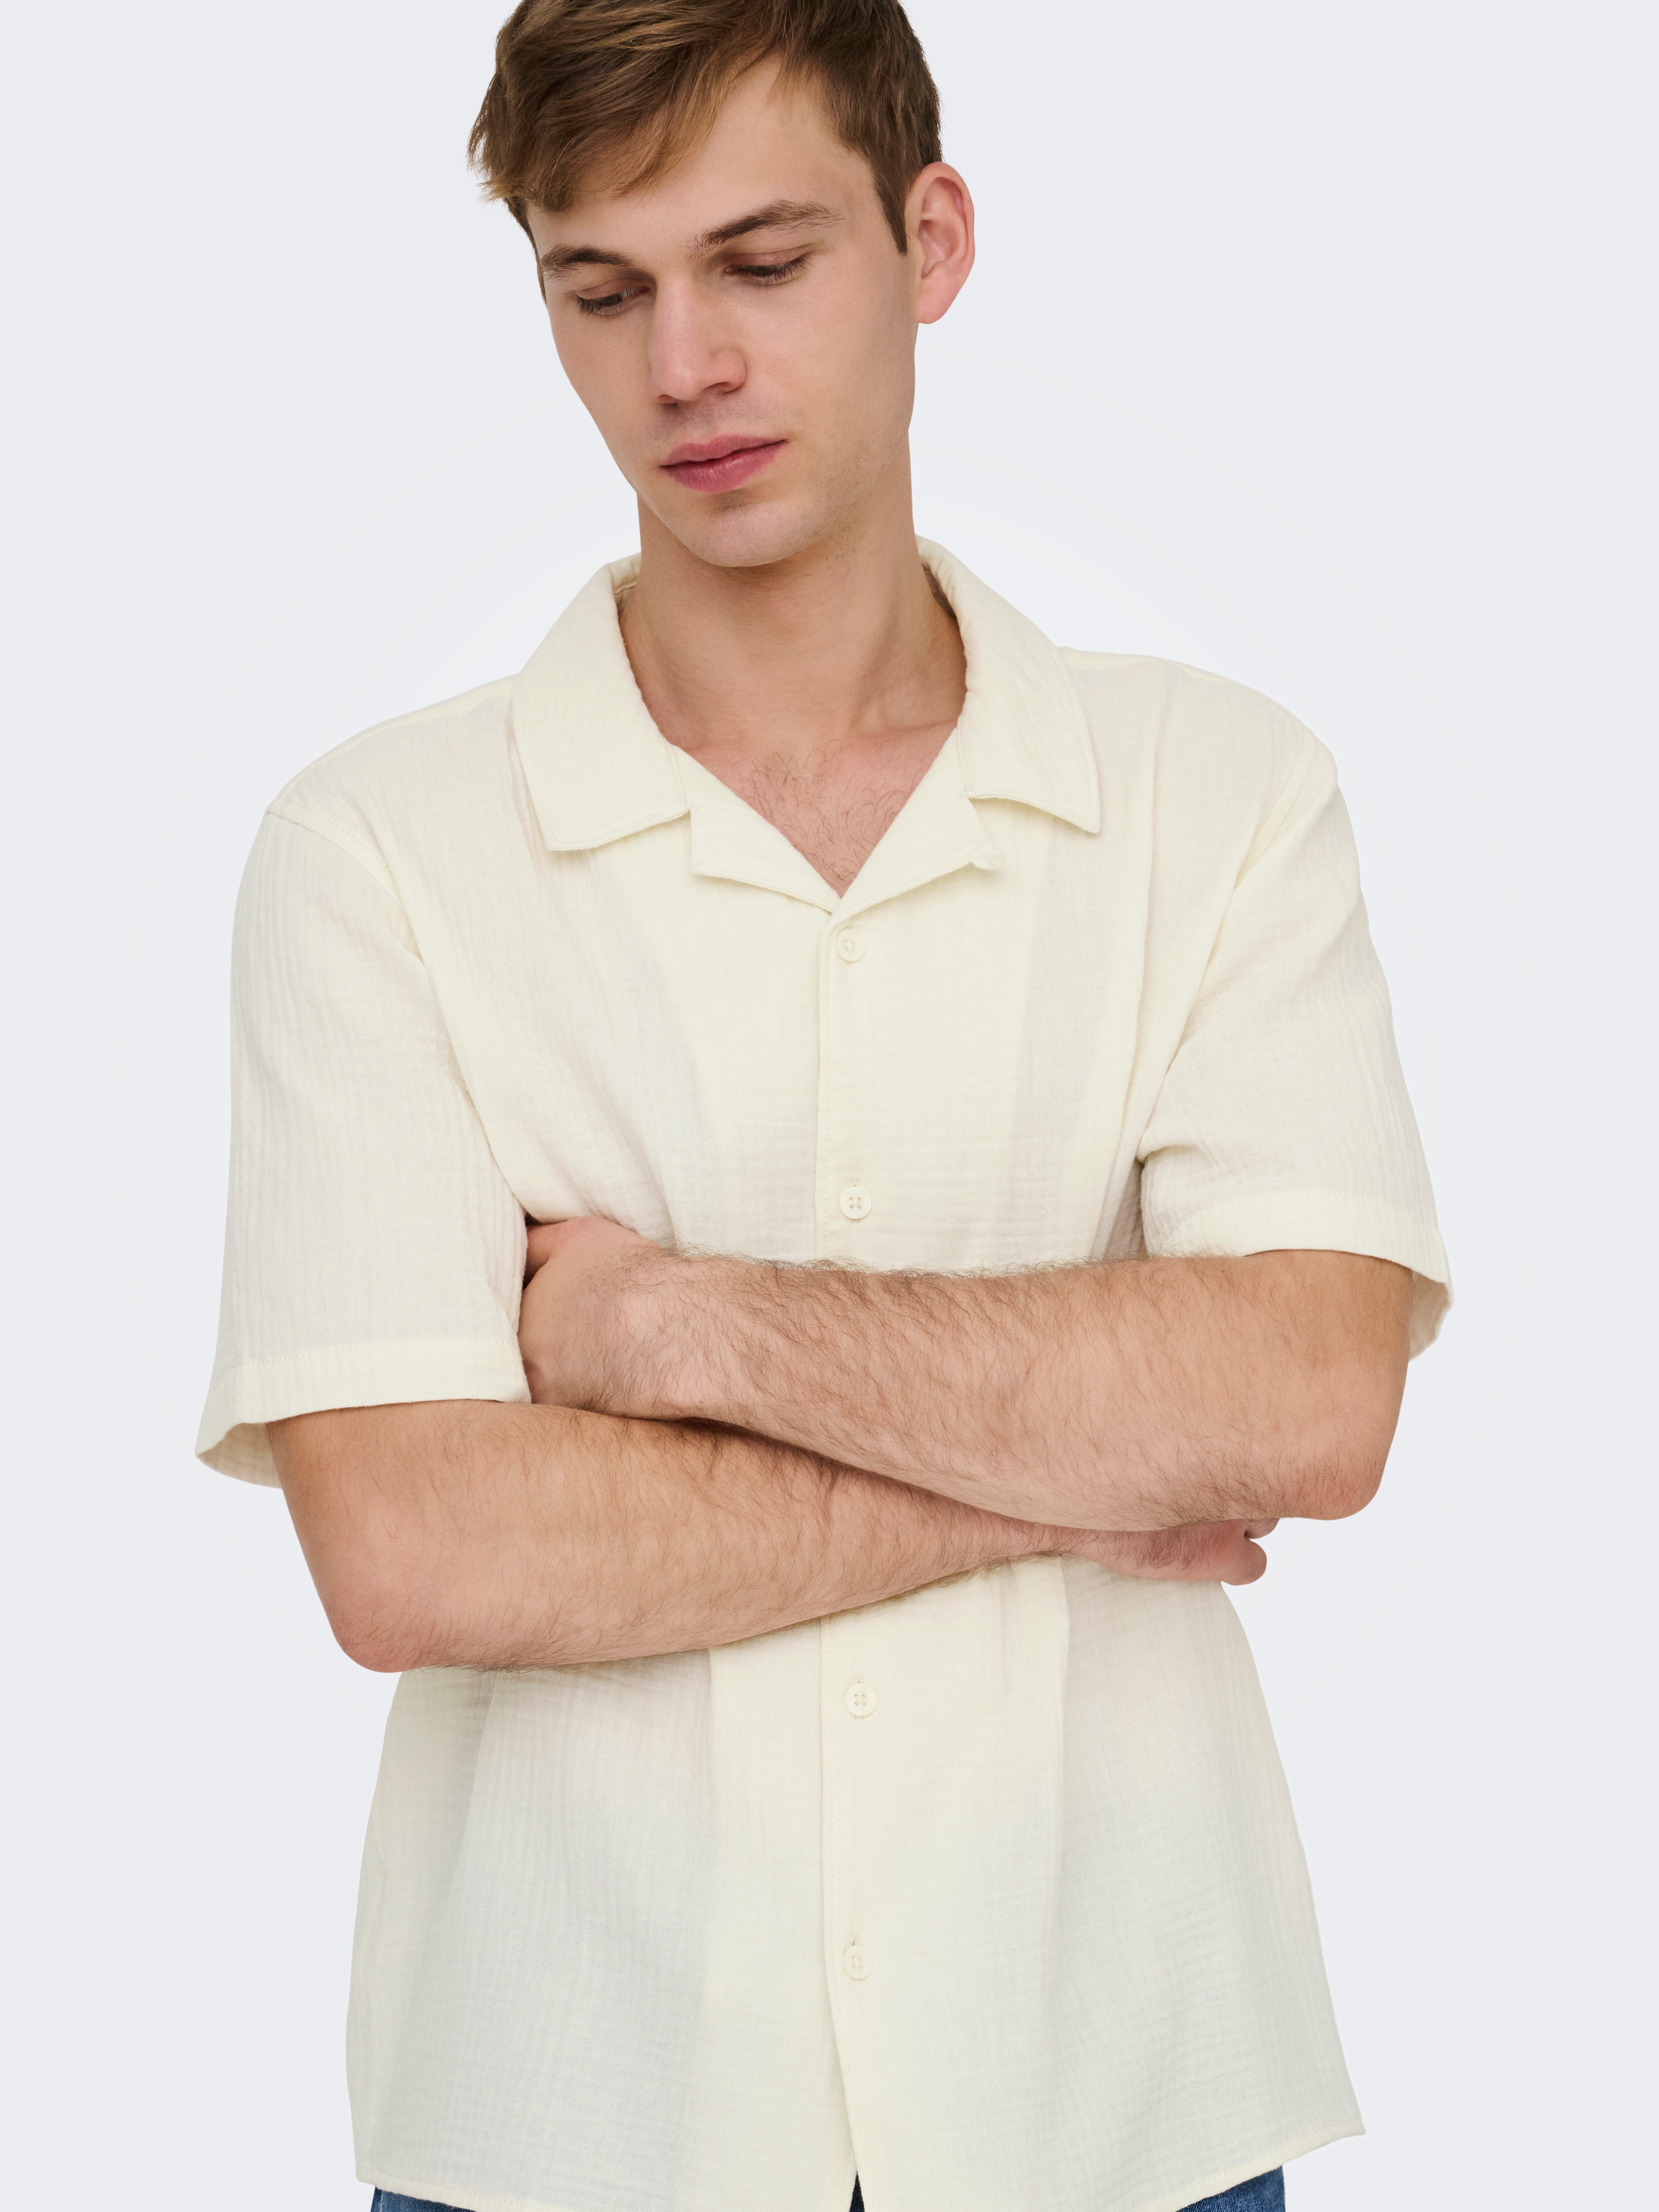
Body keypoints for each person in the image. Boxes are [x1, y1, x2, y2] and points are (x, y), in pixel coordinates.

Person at [195, 2, 1451, 2207]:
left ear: (929, 240)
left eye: (762, 263)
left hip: (1117, 2102)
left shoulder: (1217, 795)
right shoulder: (377, 852)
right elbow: (416, 1548)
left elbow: (1308, 1403)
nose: (683, 366)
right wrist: (1066, 1479)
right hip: (571, 2118)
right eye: (602, 290)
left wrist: (669, 1327)